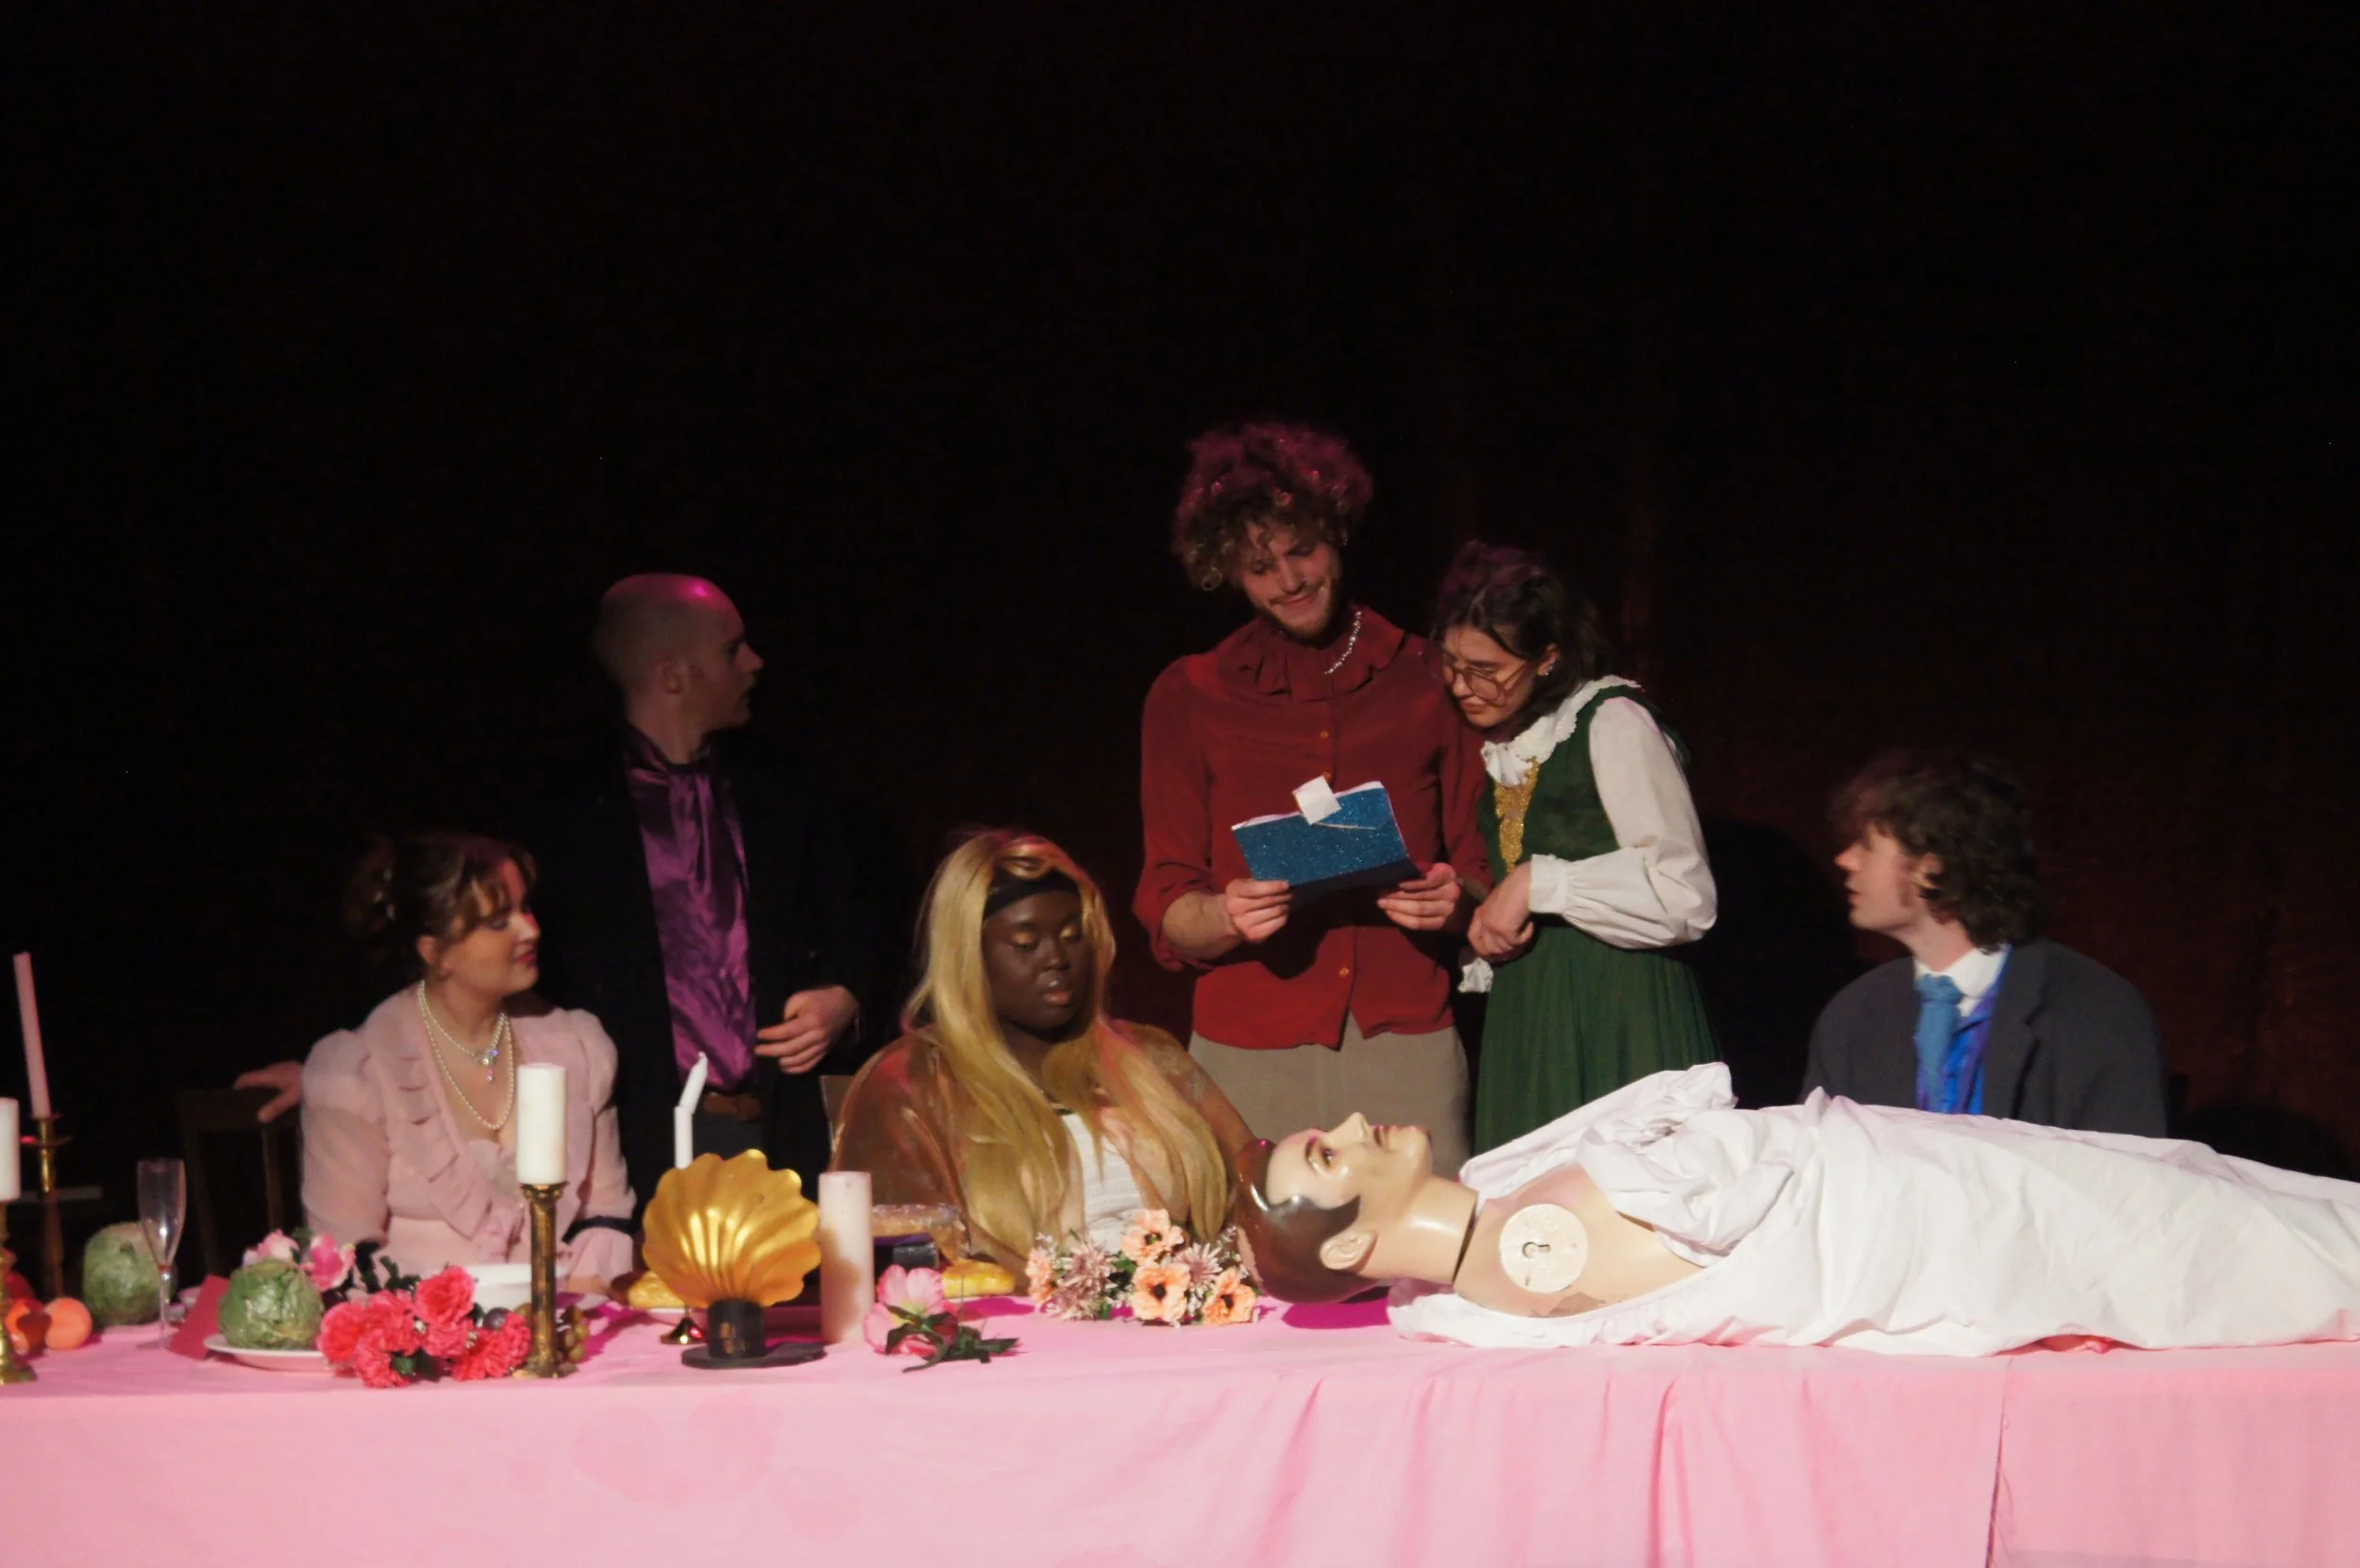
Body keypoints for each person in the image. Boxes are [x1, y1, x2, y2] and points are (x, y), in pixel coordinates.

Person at [1236, 1064, 2360, 1356]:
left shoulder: (1509, 1200)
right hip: (1930, 1212)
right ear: (1353, 1240)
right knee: (2199, 1233)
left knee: (2192, 1183)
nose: (1352, 1122)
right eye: (1327, 1154)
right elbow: (1748, 1221)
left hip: (1915, 1172)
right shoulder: (1534, 1251)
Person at [1137, 423, 1489, 1175]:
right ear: (1228, 570)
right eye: (1260, 565)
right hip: (1250, 1048)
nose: (1290, 581)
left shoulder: (1424, 677)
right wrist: (1223, 914)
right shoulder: (1190, 694)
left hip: (1403, 1042)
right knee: (1250, 1250)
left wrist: (1454, 901)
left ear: (1336, 530)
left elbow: (1481, 868)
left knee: (1427, 1244)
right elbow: (1167, 897)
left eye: (1303, 550)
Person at [531, 573, 885, 1205]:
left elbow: (861, 913)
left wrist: (842, 995)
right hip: (636, 1147)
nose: (754, 662)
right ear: (672, 674)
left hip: (777, 1131)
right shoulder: (570, 815)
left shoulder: (785, 789)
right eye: (731, 648)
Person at [833, 831, 1253, 1270]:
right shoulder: (908, 1083)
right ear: (969, 956)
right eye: (1026, 944)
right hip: (1009, 1310)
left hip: (1182, 1301)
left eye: (1073, 936)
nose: (1056, 958)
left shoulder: (1151, 1057)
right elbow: (902, 1257)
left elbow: (1253, 1194)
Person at [1433, 543, 1718, 1152]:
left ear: (1547, 658)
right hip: (1532, 1016)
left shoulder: (1612, 721)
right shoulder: (1511, 743)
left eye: (1485, 669)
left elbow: (1684, 894)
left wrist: (1538, 882)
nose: (1462, 686)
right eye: (1452, 664)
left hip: (1614, 1013)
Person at [302, 834, 634, 1290]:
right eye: (498, 922)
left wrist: (569, 1303)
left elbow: (605, 1213)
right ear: (434, 951)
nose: (531, 930)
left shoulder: (578, 1047)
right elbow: (343, 1258)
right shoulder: (358, 1073)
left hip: (563, 1320)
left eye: (525, 908)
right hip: (417, 1328)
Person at [1801, 750, 2166, 1135]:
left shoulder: (2094, 1012)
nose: (1845, 860)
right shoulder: (1854, 1016)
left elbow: (2123, 1167)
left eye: (1865, 843)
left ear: (1931, 864)